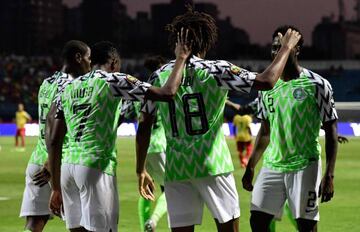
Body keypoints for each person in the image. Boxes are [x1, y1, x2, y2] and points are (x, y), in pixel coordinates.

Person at [136, 8, 301, 232]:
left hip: (177, 168)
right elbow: (266, 81)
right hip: (213, 164)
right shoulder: (217, 70)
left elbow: (144, 123)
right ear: (205, 42)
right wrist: (286, 48)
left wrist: (140, 169)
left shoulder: (160, 75)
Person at [46, 31, 192, 232]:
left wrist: (55, 186)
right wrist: (181, 58)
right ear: (114, 62)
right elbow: (167, 93)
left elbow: (54, 140)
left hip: (67, 169)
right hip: (95, 166)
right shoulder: (113, 81)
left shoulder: (68, 87)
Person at [242, 25, 338, 232]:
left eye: (284, 47)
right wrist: (251, 166)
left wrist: (329, 174)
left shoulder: (318, 84)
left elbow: (331, 130)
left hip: (305, 165)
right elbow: (265, 130)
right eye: (275, 48)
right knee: (257, 221)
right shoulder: (266, 87)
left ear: (297, 50)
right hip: (272, 166)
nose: (278, 52)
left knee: (306, 226)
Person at [19, 40, 91, 232]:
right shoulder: (75, 85)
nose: (90, 64)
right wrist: (52, 162)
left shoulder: (47, 82)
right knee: (79, 225)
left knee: (34, 222)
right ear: (78, 58)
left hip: (37, 159)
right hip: (61, 161)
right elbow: (60, 126)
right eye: (88, 58)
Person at [120, 55, 168, 232]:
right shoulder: (165, 90)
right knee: (170, 190)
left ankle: (144, 227)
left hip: (143, 147)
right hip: (162, 145)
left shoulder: (137, 92)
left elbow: (124, 114)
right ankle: (153, 221)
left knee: (146, 187)